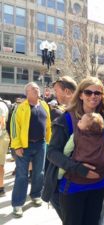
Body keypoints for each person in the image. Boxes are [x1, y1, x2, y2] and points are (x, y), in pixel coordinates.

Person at [43, 77, 104, 225]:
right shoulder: (66, 119)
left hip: (99, 185)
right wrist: (79, 169)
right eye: (88, 92)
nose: (93, 96)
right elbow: (52, 152)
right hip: (73, 186)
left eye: (97, 93)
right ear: (80, 94)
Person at [10, 82, 52, 218]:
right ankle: (17, 204)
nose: (37, 90)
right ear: (27, 92)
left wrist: (48, 141)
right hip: (24, 146)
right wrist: (17, 146)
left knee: (39, 172)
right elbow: (14, 128)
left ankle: (35, 195)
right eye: (34, 89)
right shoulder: (20, 108)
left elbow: (48, 125)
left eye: (38, 88)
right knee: (22, 175)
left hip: (41, 144)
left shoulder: (44, 105)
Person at [43, 75, 77, 219]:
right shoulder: (71, 115)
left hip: (66, 184)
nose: (54, 94)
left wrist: (75, 167)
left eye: (57, 90)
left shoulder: (65, 119)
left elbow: (52, 153)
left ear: (68, 92)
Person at [57, 112, 104, 179]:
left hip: (80, 161)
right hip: (97, 163)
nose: (79, 120)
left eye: (81, 121)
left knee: (65, 166)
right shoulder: (100, 137)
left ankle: (59, 175)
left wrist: (65, 156)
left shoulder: (76, 135)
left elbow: (67, 150)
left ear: (87, 128)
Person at [0, 98, 10, 196]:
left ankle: (1, 187)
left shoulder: (0, 105)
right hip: (3, 136)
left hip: (1, 137)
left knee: (0, 164)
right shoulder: (3, 104)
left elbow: (2, 122)